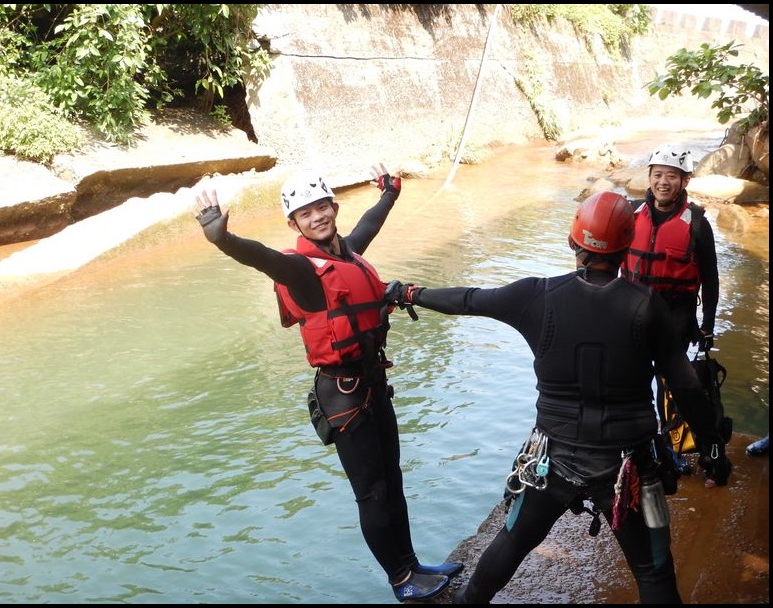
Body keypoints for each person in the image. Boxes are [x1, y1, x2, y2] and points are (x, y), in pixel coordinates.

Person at [383, 191, 732, 604]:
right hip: (631, 468)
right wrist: (712, 449)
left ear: (572, 242)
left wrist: (408, 293)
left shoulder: (536, 295)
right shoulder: (647, 306)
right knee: (654, 572)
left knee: (509, 546)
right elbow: (687, 387)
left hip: (550, 462)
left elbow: (468, 299)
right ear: (626, 249)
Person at [193, 165, 461, 603]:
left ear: (333, 207)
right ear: (293, 223)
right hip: (343, 396)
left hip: (373, 384)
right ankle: (402, 580)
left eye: (322, 206)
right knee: (372, 493)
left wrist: (389, 193)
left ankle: (413, 564)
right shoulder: (300, 269)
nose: (316, 216)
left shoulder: (347, 252)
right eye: (305, 212)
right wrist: (223, 239)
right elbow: (262, 257)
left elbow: (368, 225)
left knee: (392, 481)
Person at [621, 143, 721, 474]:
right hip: (634, 314)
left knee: (677, 385)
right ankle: (649, 445)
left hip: (676, 317)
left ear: (685, 181)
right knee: (632, 382)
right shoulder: (630, 214)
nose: (664, 182)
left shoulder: (696, 223)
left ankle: (695, 448)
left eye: (672, 177)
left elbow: (710, 276)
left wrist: (708, 324)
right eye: (658, 175)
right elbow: (609, 262)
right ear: (649, 177)